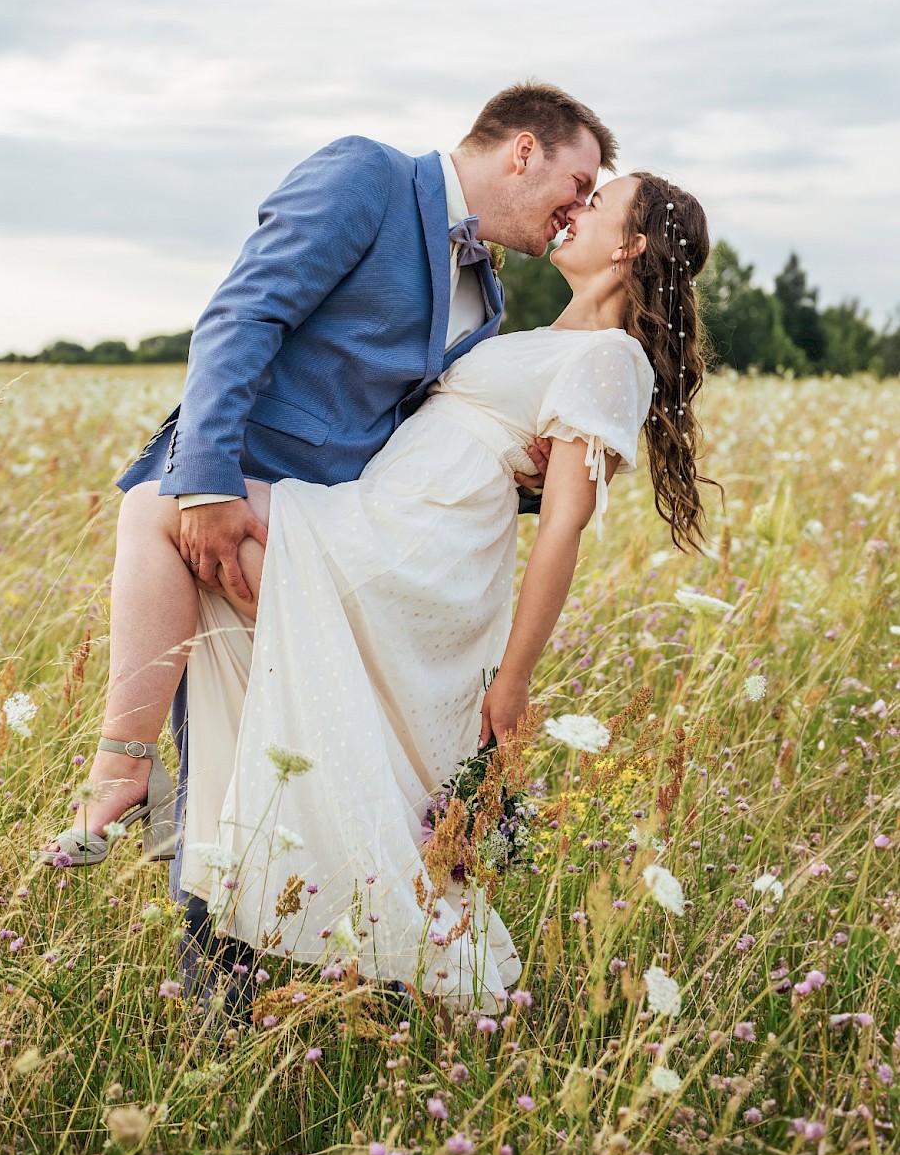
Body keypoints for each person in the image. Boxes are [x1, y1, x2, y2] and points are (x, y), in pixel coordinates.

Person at [40, 161, 712, 1012]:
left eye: (598, 201)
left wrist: (513, 679)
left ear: (633, 243)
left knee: (160, 505)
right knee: (201, 566)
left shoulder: (613, 357)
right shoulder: (531, 329)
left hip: (408, 551)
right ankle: (249, 911)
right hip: (384, 519)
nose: (576, 208)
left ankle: (125, 770)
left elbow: (564, 529)